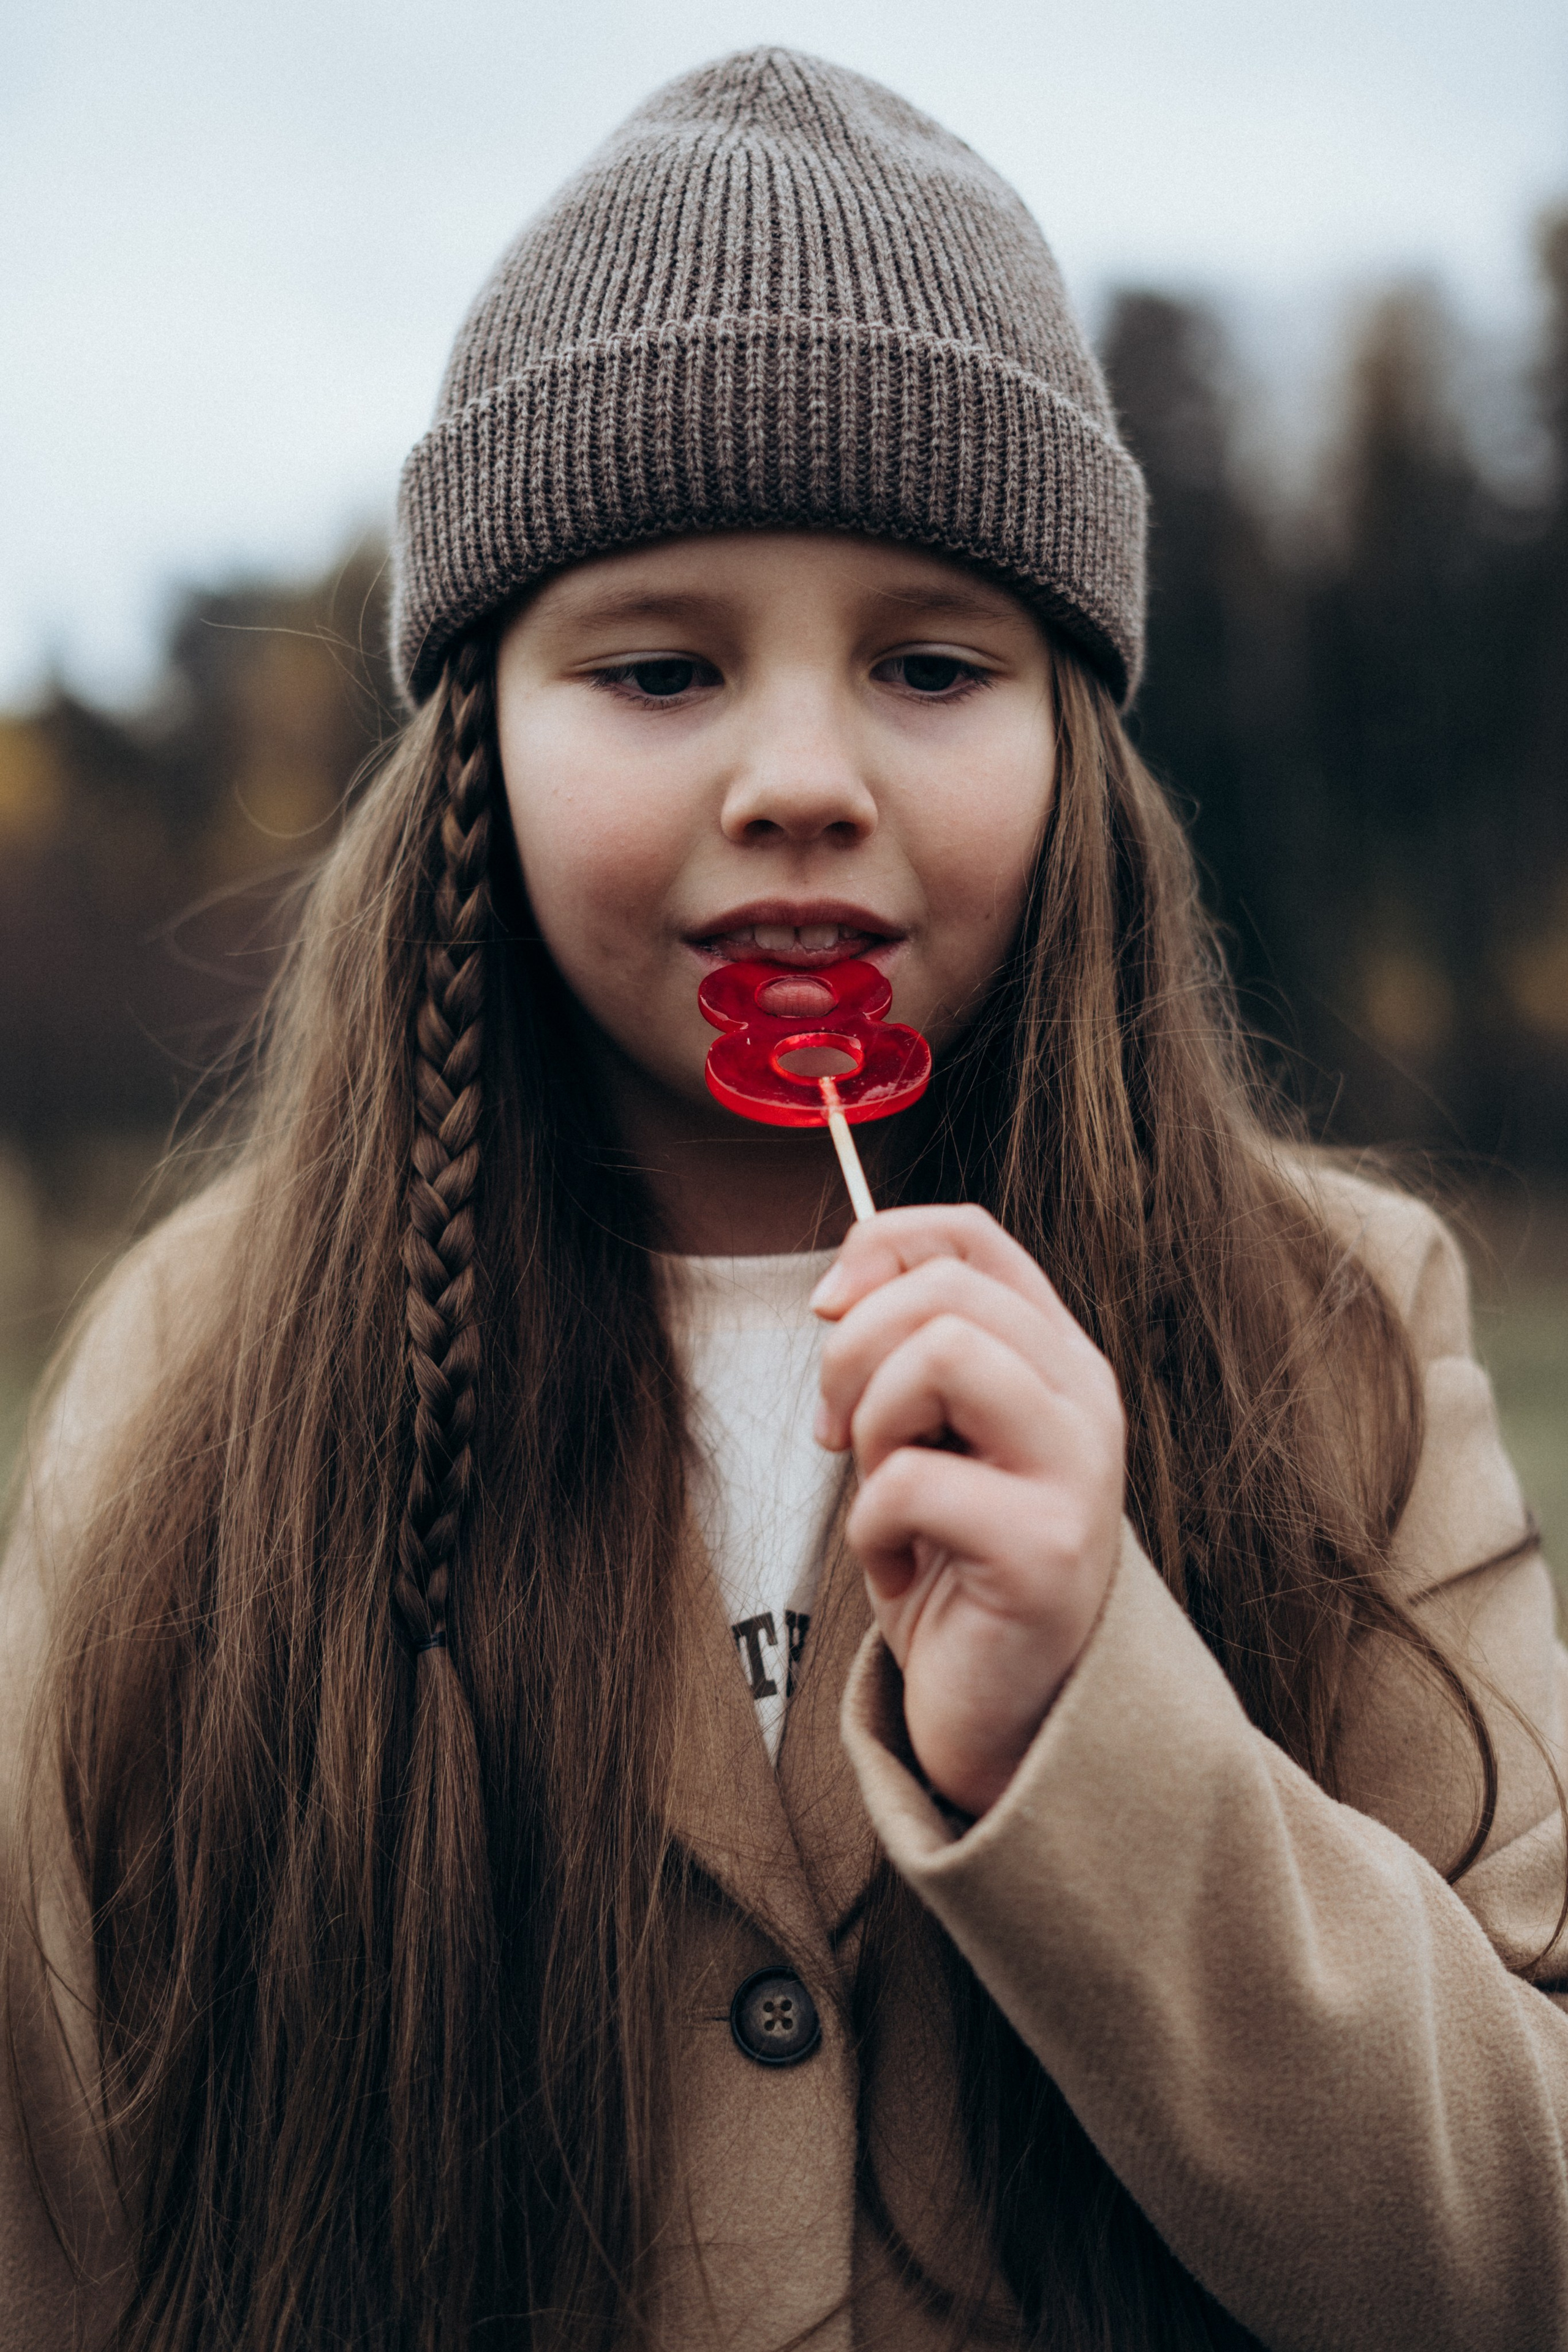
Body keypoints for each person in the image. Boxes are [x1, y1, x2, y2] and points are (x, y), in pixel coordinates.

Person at [1, 45, 1562, 2352]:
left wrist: (1099, 1733)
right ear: (478, 753)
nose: (805, 780)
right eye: (657, 669)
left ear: (1079, 744)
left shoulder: (1333, 1329)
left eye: (934, 666)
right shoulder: (194, 1378)